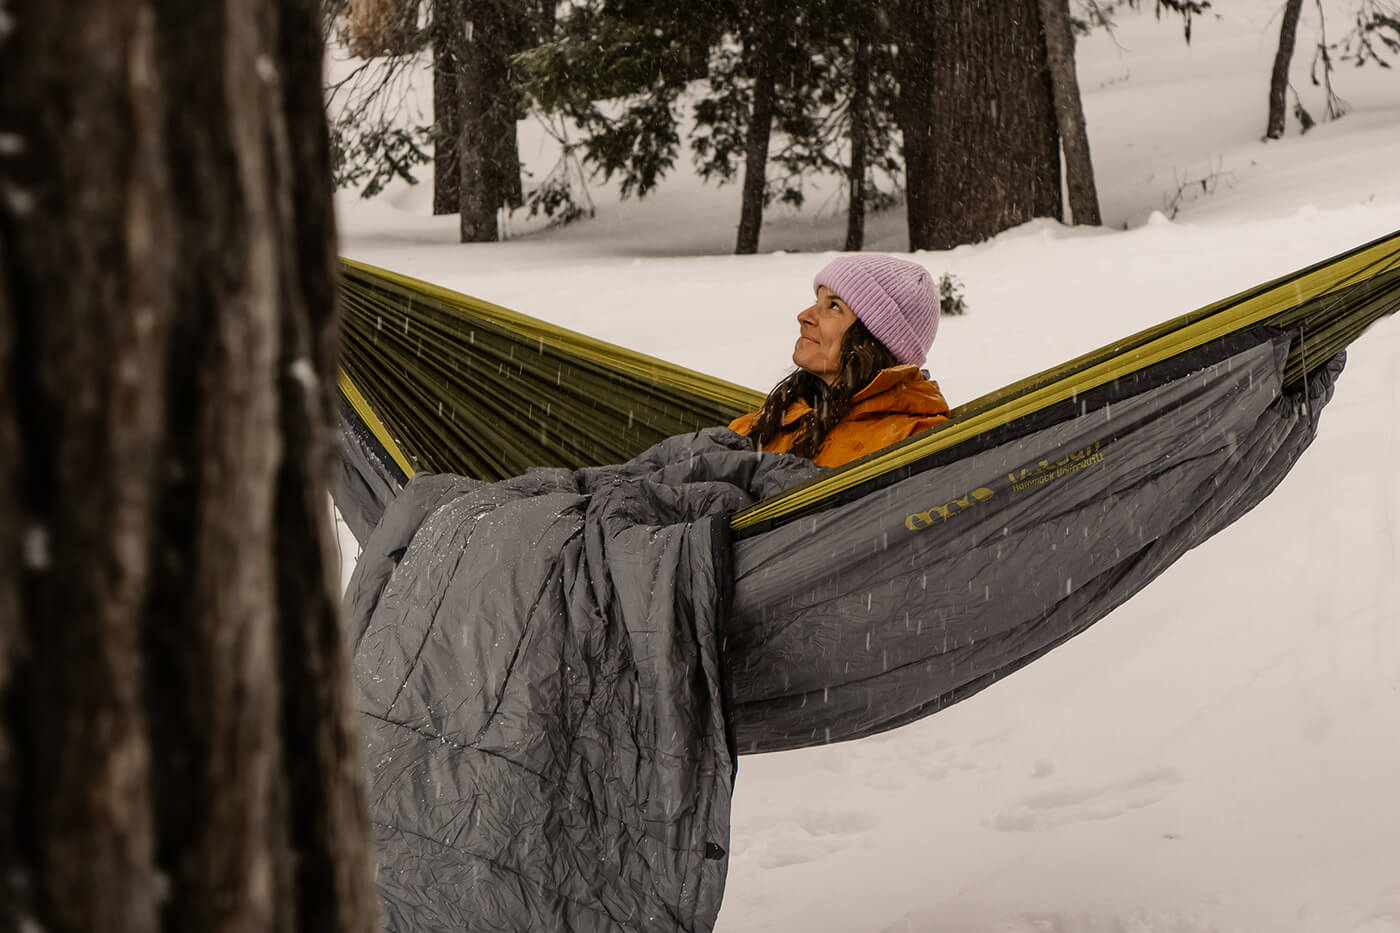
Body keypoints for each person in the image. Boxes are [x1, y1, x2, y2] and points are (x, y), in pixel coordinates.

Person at [729, 253, 950, 467]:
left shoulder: (912, 443)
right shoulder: (780, 416)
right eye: (817, 301)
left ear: (871, 341)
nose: (804, 315)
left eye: (834, 306)